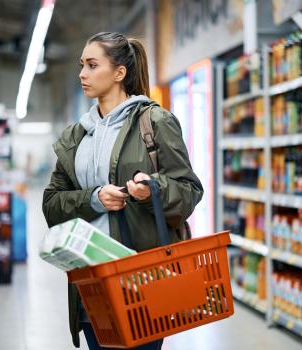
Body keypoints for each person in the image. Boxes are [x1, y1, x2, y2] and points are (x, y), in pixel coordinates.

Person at [42, 32, 203, 350]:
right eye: (81, 65)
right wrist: (93, 198)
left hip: (141, 282)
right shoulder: (77, 136)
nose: (82, 74)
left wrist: (153, 189)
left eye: (91, 65)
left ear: (119, 73)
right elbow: (52, 203)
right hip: (90, 285)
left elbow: (188, 191)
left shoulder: (155, 122)